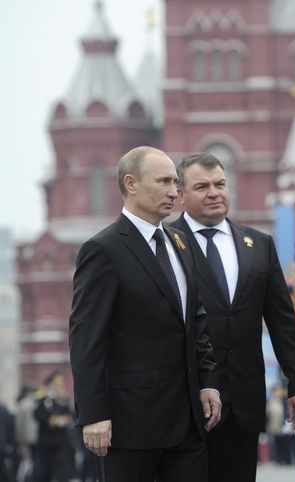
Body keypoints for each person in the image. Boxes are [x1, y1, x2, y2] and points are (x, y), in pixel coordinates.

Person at [69, 146, 221, 482]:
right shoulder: (103, 250)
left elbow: (195, 321)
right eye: (164, 181)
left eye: (176, 183)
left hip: (187, 424)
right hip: (129, 426)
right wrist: (93, 414)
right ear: (131, 183)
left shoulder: (180, 244)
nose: (174, 192)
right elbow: (87, 338)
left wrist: (208, 384)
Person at [171, 153, 295, 482]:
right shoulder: (167, 244)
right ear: (180, 195)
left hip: (243, 404)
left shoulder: (258, 245)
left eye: (220, 184)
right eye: (202, 186)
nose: (214, 192)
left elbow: (282, 321)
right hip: (186, 403)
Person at [32, 372, 73, 482]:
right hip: (46, 442)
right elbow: (37, 415)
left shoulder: (64, 399)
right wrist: (54, 421)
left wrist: (65, 419)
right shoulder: (43, 398)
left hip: (61, 442)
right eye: (56, 384)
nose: (59, 387)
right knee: (44, 472)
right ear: (50, 385)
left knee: (61, 472)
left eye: (61, 384)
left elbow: (70, 415)